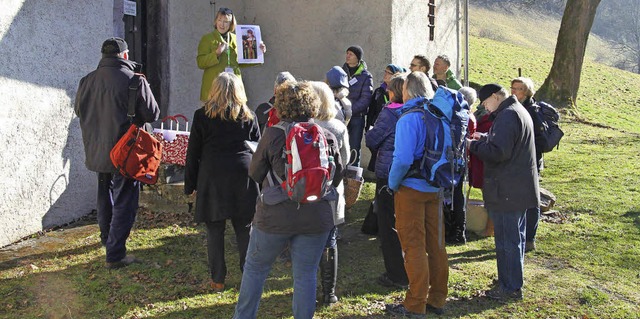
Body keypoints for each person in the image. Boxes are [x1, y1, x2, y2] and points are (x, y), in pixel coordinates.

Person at [233, 81, 344, 319]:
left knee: (255, 269)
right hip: (317, 216)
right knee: (305, 274)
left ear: (281, 105)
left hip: (275, 216)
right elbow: (338, 175)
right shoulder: (326, 136)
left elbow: (255, 173)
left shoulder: (273, 134)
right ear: (312, 105)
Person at [74, 37, 160, 269]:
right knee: (125, 201)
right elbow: (152, 113)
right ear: (124, 55)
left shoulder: (86, 81)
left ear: (103, 56)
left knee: (104, 196)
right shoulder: (135, 80)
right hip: (125, 152)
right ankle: (115, 254)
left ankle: (107, 240)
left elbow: (78, 110)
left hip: (96, 149)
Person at [184, 72, 260, 292]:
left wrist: (190, 185)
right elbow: (257, 149)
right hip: (242, 174)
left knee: (215, 230)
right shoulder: (249, 116)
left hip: (213, 175)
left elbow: (193, 154)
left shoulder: (202, 116)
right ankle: (248, 275)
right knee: (245, 228)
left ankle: (218, 279)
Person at [467, 84, 540, 300]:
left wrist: (472, 146)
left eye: (485, 103)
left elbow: (499, 152)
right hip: (517, 186)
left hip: (507, 188)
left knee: (507, 240)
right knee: (514, 238)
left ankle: (510, 287)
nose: (485, 108)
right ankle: (511, 282)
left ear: (494, 97)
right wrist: (486, 139)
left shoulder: (507, 115)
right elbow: (507, 144)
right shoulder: (517, 110)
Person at [385, 71, 447, 318]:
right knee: (437, 244)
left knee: (414, 247)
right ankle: (438, 298)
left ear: (407, 90)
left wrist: (392, 183)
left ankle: (415, 304)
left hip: (411, 188)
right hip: (436, 186)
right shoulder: (440, 114)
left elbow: (402, 160)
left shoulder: (408, 118)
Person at [365, 74, 409, 289]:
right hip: (410, 175)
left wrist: (371, 131)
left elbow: (373, 140)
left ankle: (396, 274)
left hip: (389, 172)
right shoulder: (416, 111)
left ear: (394, 91)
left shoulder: (390, 112)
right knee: (407, 223)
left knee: (389, 224)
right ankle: (410, 270)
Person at [310, 81, 350, 304]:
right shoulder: (338, 126)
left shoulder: (300, 126)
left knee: (306, 239)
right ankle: (329, 292)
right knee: (330, 239)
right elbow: (345, 161)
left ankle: (309, 288)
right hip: (332, 188)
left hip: (306, 189)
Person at [197, 7, 266, 102]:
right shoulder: (207, 38)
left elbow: (241, 62)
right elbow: (200, 63)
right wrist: (216, 53)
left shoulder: (237, 38)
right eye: (219, 20)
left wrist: (258, 53)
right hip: (214, 91)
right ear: (216, 21)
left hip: (233, 90)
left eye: (226, 21)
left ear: (231, 24)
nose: (222, 24)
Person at [511, 77, 545, 252]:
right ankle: (519, 234)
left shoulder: (531, 111)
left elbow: (538, 140)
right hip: (519, 161)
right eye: (513, 88)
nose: (515, 92)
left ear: (527, 92)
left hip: (531, 162)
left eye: (519, 89)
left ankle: (529, 238)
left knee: (531, 200)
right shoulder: (516, 108)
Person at [342, 46, 373, 166]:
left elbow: (365, 99)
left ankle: (353, 179)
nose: (347, 56)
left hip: (356, 118)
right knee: (340, 146)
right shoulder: (341, 72)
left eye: (351, 54)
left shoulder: (366, 76)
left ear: (358, 58)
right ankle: (340, 176)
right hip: (341, 116)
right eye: (347, 53)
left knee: (354, 148)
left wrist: (349, 111)